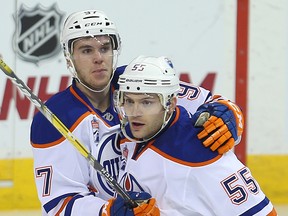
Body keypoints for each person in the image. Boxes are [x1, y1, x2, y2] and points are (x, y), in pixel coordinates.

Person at [30, 9, 244, 215]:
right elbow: (58, 203)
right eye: (87, 50)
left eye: (104, 48)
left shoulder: (136, 82)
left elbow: (210, 103)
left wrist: (228, 113)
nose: (99, 58)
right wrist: (107, 211)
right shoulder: (53, 118)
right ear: (69, 57)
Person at [113, 55, 278, 216]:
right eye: (129, 101)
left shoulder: (201, 153)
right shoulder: (131, 130)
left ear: (170, 104)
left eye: (146, 102)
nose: (135, 113)